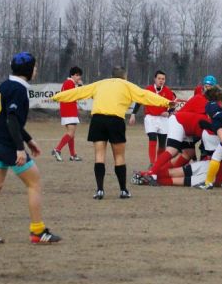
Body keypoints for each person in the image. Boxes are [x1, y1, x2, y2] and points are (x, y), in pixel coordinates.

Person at [0, 52, 61, 244]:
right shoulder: (18, 89)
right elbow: (12, 120)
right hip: (8, 146)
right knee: (34, 182)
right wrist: (20, 148)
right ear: (28, 70)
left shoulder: (6, 85)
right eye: (35, 67)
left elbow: (7, 118)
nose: (36, 70)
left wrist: (28, 139)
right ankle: (38, 231)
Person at [52, 66, 174, 200]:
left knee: (99, 155)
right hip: (116, 121)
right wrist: (167, 102)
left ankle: (99, 190)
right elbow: (146, 96)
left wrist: (57, 97)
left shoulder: (100, 83)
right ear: (124, 76)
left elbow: (79, 92)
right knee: (119, 157)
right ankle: (123, 190)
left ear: (112, 76)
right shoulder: (127, 85)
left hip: (98, 120)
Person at [129, 70, 177, 167]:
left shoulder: (168, 92)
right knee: (152, 138)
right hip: (150, 118)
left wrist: (168, 112)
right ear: (154, 79)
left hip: (163, 120)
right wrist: (133, 114)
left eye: (163, 79)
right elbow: (139, 101)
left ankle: (159, 165)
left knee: (162, 144)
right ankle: (152, 163)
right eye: (159, 78)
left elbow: (173, 106)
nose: (161, 80)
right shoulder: (148, 89)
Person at [51, 66, 84, 162]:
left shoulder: (68, 83)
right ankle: (57, 149)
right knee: (70, 133)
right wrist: (81, 87)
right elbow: (76, 95)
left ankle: (73, 155)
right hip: (69, 111)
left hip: (67, 110)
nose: (79, 78)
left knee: (71, 134)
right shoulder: (69, 83)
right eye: (77, 75)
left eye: (79, 76)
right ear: (72, 75)